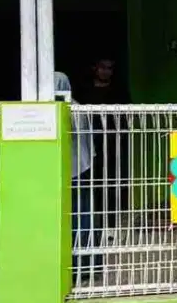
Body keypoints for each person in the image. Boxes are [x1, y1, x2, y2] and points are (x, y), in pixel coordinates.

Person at [56, 71, 102, 283]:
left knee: (78, 219)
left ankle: (79, 266)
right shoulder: (76, 107)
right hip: (82, 168)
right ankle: (87, 264)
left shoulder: (64, 110)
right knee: (83, 217)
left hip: (71, 172)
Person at [81, 57, 130, 225]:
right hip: (88, 143)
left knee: (111, 182)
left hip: (112, 144)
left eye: (110, 68)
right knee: (89, 182)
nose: (106, 71)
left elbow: (127, 114)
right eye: (103, 67)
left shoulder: (119, 91)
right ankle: (90, 222)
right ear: (94, 68)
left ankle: (110, 223)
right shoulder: (84, 90)